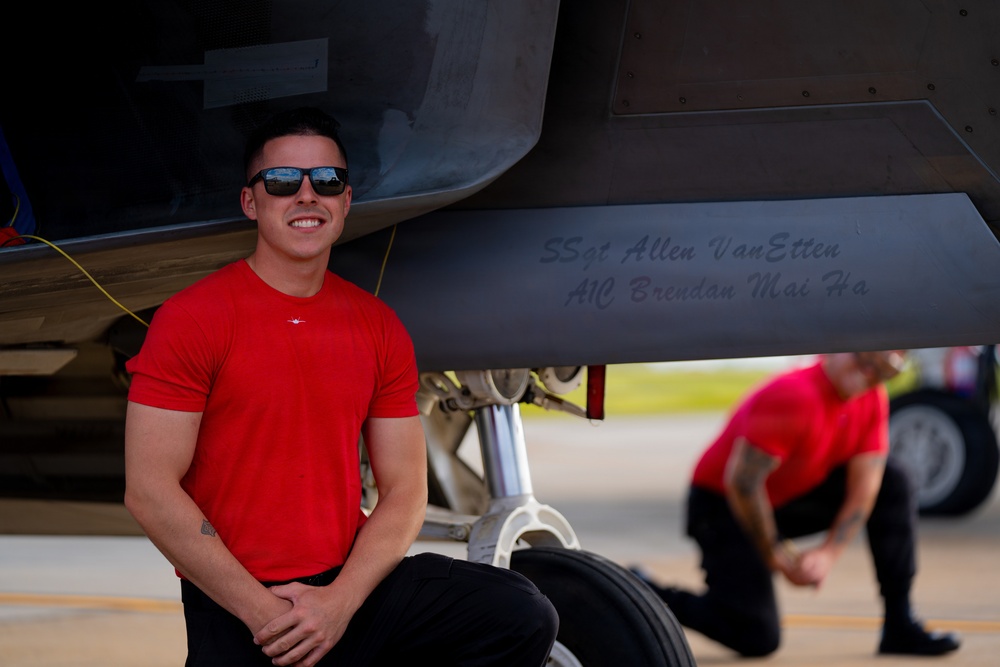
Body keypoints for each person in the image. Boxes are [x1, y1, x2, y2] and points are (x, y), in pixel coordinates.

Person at [124, 106, 558, 666]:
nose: (307, 195)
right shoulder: (193, 319)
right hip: (239, 607)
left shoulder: (378, 326)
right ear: (250, 202)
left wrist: (337, 605)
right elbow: (150, 490)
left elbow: (405, 492)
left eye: (326, 180)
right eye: (282, 181)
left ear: (345, 201)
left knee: (517, 612)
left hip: (346, 594)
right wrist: (269, 617)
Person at [631, 351, 960, 658]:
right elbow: (742, 484)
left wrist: (828, 553)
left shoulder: (871, 398)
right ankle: (643, 592)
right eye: (861, 358)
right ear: (834, 349)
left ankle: (899, 622)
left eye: (884, 370)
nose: (868, 373)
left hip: (784, 499)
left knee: (894, 481)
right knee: (756, 636)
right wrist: (775, 555)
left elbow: (867, 485)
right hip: (720, 506)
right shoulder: (796, 395)